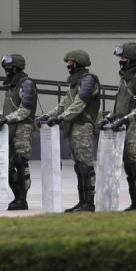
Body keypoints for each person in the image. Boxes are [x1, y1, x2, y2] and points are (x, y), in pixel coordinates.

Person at [38, 50, 101, 212]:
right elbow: (63, 104)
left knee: (86, 165)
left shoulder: (88, 80)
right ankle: (82, 202)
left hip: (83, 126)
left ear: (78, 63)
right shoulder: (75, 83)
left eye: (70, 62)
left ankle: (89, 203)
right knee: (79, 166)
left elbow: (79, 104)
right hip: (73, 126)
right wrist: (46, 116)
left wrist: (61, 118)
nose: (67, 65)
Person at [99, 42, 136, 211]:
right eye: (120, 58)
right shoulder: (126, 78)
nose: (120, 61)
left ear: (132, 59)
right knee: (128, 165)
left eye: (123, 58)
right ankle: (135, 203)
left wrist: (125, 119)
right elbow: (121, 105)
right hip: (124, 125)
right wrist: (110, 117)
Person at [0, 54, 38, 211]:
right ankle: (16, 197)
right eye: (5, 67)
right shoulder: (12, 85)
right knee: (7, 165)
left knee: (21, 162)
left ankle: (22, 199)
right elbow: (8, 109)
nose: (6, 70)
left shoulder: (26, 84)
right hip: (11, 128)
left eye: (9, 67)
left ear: (17, 67)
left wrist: (6, 119)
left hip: (22, 128)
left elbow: (25, 110)